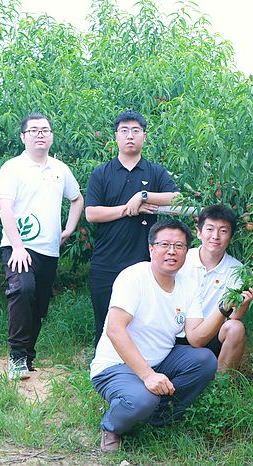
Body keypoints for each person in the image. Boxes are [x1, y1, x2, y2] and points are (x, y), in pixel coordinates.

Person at [91, 219, 219, 452]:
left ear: (186, 251)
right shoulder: (134, 277)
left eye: (179, 246)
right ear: (151, 249)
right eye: (164, 245)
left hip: (159, 361)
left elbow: (196, 338)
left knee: (205, 360)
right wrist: (148, 375)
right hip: (116, 365)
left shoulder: (189, 285)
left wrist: (224, 310)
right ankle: (112, 427)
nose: (172, 251)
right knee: (143, 398)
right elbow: (114, 330)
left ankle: (158, 416)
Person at [0, 113, 83, 380]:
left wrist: (69, 229)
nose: (40, 134)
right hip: (18, 246)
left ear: (52, 136)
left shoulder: (60, 169)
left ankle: (27, 358)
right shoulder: (12, 168)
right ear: (23, 137)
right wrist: (18, 246)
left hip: (49, 249)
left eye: (45, 130)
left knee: (39, 304)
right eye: (34, 130)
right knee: (22, 290)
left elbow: (77, 199)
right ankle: (17, 356)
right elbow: (4, 208)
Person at [85, 110, 180, 345]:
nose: (130, 136)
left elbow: (177, 199)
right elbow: (91, 213)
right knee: (105, 322)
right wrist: (129, 209)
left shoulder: (155, 172)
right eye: (124, 131)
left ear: (144, 137)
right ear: (116, 136)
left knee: (143, 322)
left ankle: (142, 362)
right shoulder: (101, 173)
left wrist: (143, 195)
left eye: (136, 131)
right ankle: (102, 363)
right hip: (106, 260)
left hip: (144, 260)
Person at [176, 205, 253, 371]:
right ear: (199, 233)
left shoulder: (237, 270)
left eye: (223, 231)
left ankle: (221, 382)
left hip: (211, 334)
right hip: (175, 333)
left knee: (235, 328)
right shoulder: (182, 259)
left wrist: (245, 302)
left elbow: (234, 316)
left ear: (231, 237)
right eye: (210, 229)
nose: (215, 236)